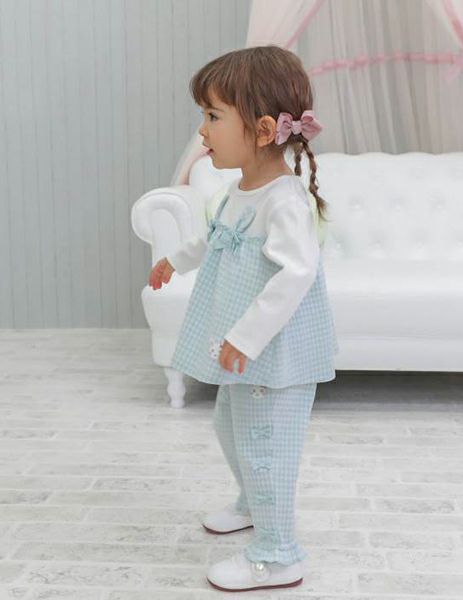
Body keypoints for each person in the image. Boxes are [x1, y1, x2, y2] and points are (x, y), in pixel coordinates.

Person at [149, 45, 340, 593]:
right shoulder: (240, 191)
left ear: (261, 130)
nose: (202, 129)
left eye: (212, 116)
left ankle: (278, 555)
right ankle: (253, 504)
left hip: (272, 353)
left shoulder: (285, 201)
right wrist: (174, 260)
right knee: (230, 429)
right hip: (245, 353)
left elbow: (295, 275)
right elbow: (214, 239)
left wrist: (247, 337)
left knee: (264, 447)